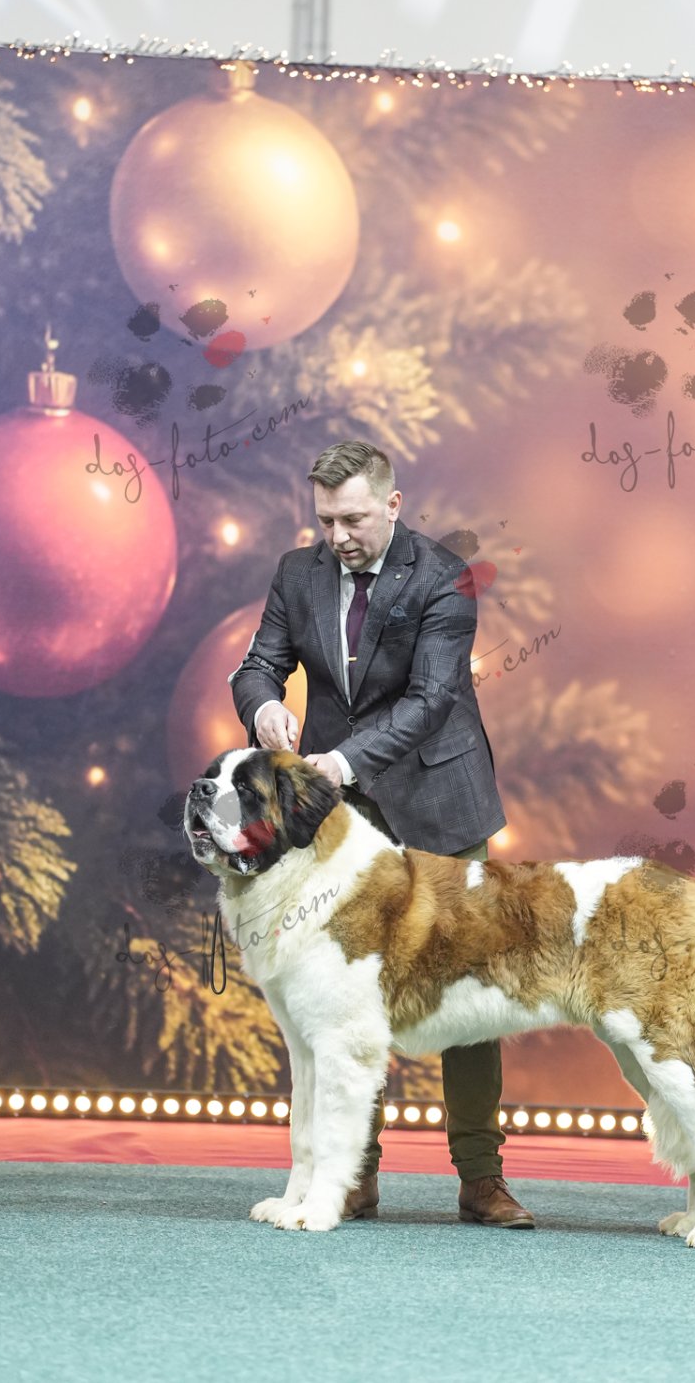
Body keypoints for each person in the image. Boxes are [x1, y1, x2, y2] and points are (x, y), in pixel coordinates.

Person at [228, 439, 534, 1228]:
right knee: (337, 992)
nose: (337, 536)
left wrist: (342, 761)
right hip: (340, 816)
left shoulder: (444, 576)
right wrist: (265, 705)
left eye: (354, 519)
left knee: (469, 994)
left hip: (441, 801)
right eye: (326, 519)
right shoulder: (296, 572)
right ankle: (351, 1174)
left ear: (393, 505)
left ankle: (481, 1176)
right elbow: (256, 665)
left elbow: (432, 699)